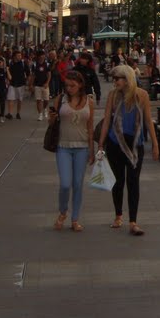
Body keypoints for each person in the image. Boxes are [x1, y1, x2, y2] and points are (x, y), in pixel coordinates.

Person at [96, 64, 160, 236]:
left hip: (134, 145)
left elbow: (148, 120)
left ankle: (133, 221)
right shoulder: (112, 95)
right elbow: (106, 121)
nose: (114, 81)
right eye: (114, 78)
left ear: (127, 79)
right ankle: (118, 215)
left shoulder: (142, 95)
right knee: (118, 181)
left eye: (118, 78)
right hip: (115, 143)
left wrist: (155, 144)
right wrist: (100, 143)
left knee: (133, 182)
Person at [48, 70, 95, 232]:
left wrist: (92, 149)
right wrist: (52, 117)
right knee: (66, 183)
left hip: (82, 147)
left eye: (72, 85)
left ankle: (75, 218)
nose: (69, 88)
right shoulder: (60, 99)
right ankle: (62, 212)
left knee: (77, 184)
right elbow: (52, 123)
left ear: (80, 85)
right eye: (67, 85)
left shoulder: (89, 101)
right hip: (63, 146)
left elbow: (90, 126)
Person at [30, 50, 52, 121]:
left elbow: (49, 75)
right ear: (38, 56)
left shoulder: (47, 64)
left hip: (45, 85)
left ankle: (45, 108)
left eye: (43, 55)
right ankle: (40, 114)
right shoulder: (35, 64)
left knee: (46, 100)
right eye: (41, 55)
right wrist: (31, 84)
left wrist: (47, 83)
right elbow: (33, 75)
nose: (42, 57)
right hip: (37, 85)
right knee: (38, 100)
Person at [7, 50, 28, 120]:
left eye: (20, 55)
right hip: (12, 83)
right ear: (14, 56)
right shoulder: (11, 63)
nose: (20, 57)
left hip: (21, 84)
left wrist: (27, 81)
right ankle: (10, 113)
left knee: (19, 99)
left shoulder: (23, 63)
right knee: (11, 98)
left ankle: (18, 113)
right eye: (18, 56)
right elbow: (8, 72)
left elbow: (28, 72)